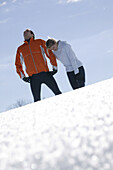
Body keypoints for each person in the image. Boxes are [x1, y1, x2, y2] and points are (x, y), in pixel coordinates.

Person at [15, 29, 61, 102]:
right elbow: (18, 64)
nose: (25, 32)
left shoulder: (40, 42)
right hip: (33, 78)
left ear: (32, 34)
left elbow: (50, 54)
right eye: (24, 32)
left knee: (58, 93)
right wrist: (23, 77)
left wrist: (54, 67)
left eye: (27, 31)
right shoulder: (20, 49)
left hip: (45, 74)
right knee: (36, 101)